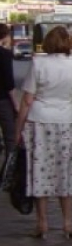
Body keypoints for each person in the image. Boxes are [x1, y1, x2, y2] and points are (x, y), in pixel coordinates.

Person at [14, 25, 72, 239]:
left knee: (40, 171)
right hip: (66, 122)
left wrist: (18, 130)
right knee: (65, 172)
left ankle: (42, 223)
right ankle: (68, 223)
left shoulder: (38, 63)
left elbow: (27, 100)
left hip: (39, 122)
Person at [0, 24, 18, 167]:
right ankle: (7, 175)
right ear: (4, 37)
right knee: (10, 139)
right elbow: (9, 83)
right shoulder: (5, 55)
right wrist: (16, 105)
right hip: (2, 101)